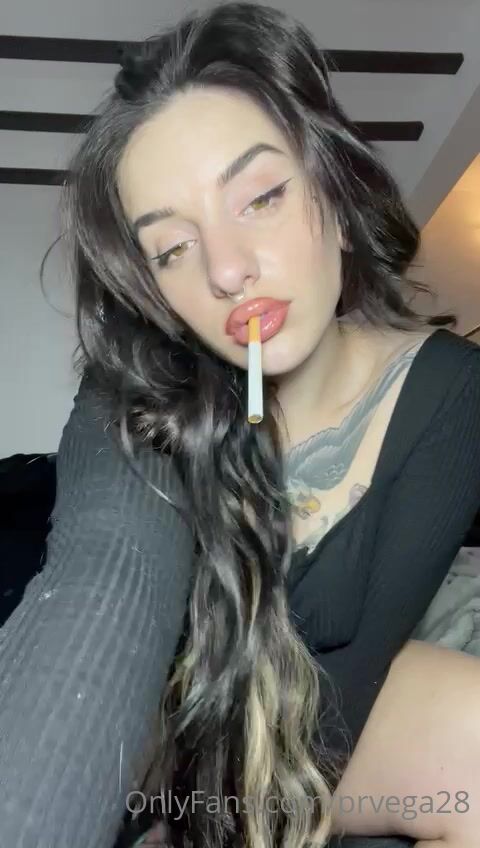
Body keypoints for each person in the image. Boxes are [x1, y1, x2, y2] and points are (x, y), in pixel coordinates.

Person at [1, 3, 480, 847]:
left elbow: (348, 691)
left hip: (305, 737)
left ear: (335, 192)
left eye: (259, 197)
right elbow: (103, 580)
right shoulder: (142, 390)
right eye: (172, 249)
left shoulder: (450, 391)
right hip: (159, 744)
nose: (226, 270)